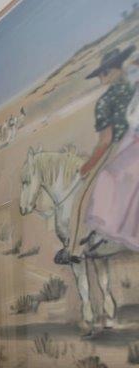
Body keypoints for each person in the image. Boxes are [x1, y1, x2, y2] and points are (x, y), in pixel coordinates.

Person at [59, 45, 139, 263]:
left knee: (82, 197)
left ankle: (73, 249)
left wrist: (87, 166)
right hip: (132, 144)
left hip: (118, 147)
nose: (101, 77)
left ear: (113, 70)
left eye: (104, 72)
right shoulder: (134, 89)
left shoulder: (106, 101)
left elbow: (105, 140)